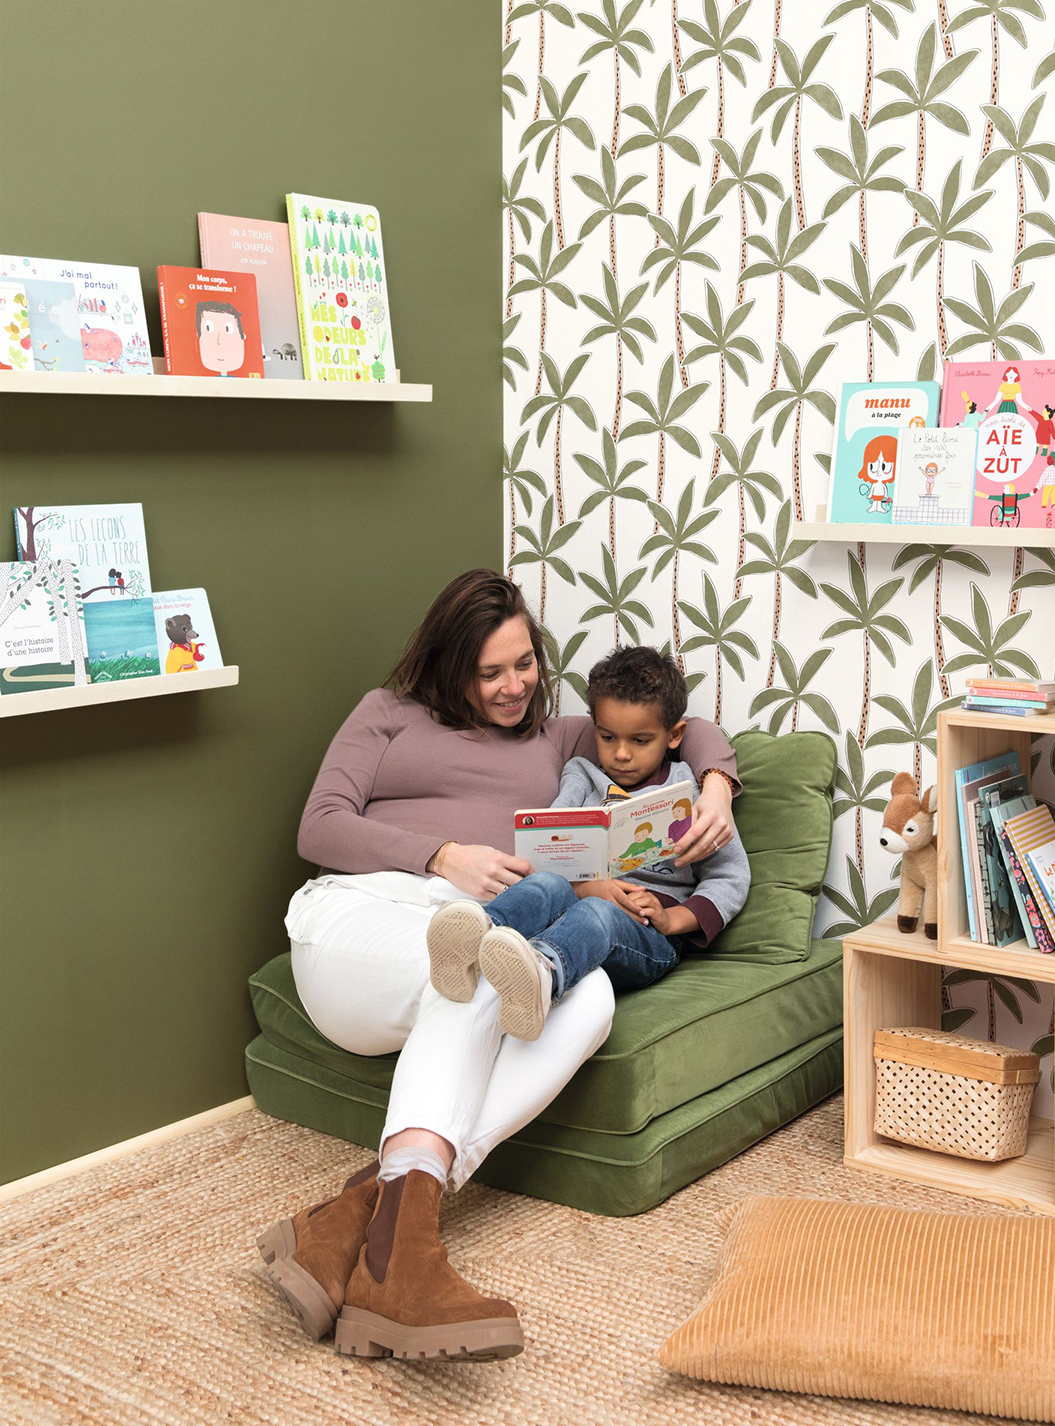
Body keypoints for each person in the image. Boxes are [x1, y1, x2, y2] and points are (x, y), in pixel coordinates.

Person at [260, 570, 739, 1366]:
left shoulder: (556, 736)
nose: (515, 685)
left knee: (587, 995)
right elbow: (319, 825)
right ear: (449, 665)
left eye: (526, 663)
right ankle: (396, 1257)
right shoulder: (384, 715)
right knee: (479, 963)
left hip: (486, 933)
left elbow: (684, 731)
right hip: (364, 917)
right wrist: (440, 854)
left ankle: (365, 1224)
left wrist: (719, 784)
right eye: (491, 672)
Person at [425, 646, 750, 1042]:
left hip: (650, 935)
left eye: (641, 740)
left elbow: (731, 875)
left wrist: (672, 921)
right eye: (607, 736)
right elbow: (546, 850)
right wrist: (585, 886)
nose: (621, 754)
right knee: (546, 884)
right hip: (577, 903)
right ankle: (474, 938)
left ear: (674, 735)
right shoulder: (580, 775)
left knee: (598, 911)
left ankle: (541, 978)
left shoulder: (689, 792)